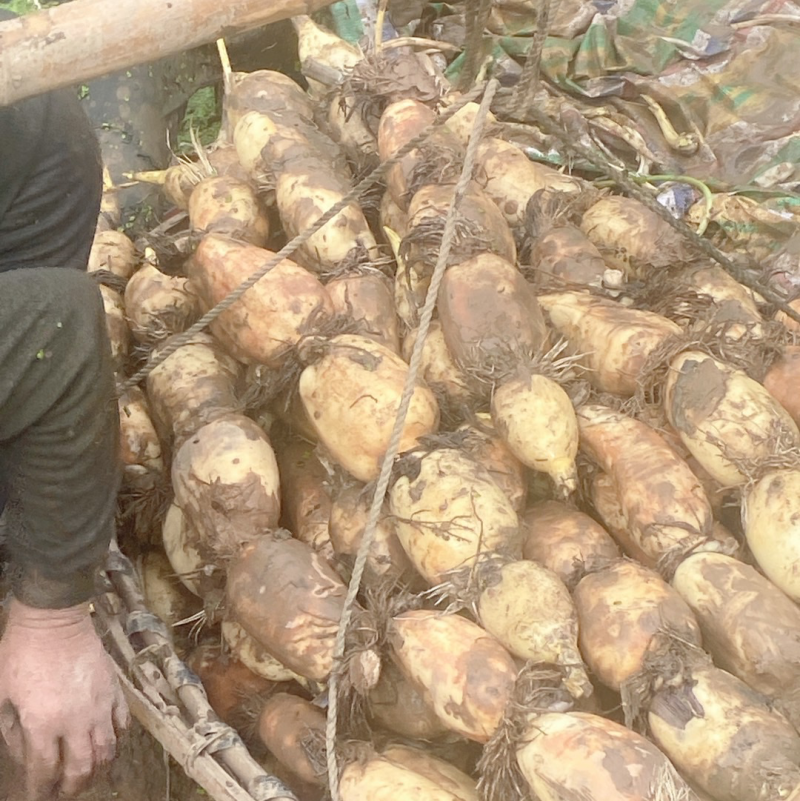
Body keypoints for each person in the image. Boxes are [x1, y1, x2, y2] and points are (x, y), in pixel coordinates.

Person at [0, 8, 130, 798]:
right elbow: (52, 329)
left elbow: (51, 331)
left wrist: (48, 604)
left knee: (46, 134)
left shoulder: (32, 131)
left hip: (33, 147)